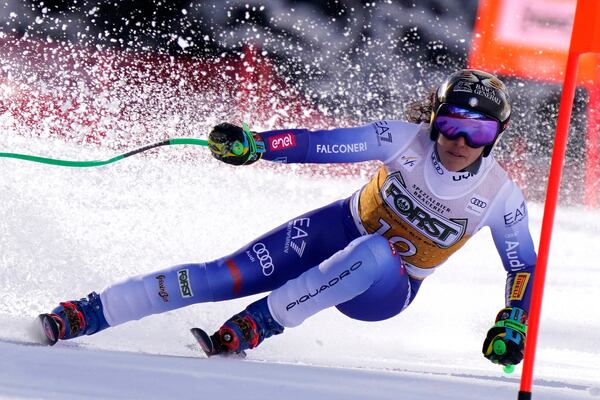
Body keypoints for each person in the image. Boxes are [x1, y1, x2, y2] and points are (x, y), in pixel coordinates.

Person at [41, 69, 536, 367]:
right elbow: (320, 145)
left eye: (477, 133)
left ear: (496, 135)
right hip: (335, 227)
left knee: (374, 252)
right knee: (224, 275)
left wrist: (513, 319)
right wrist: (258, 145)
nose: (459, 142)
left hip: (386, 288)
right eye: (450, 125)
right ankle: (90, 312)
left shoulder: (500, 197)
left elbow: (522, 267)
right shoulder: (402, 139)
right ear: (435, 120)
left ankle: (262, 322)